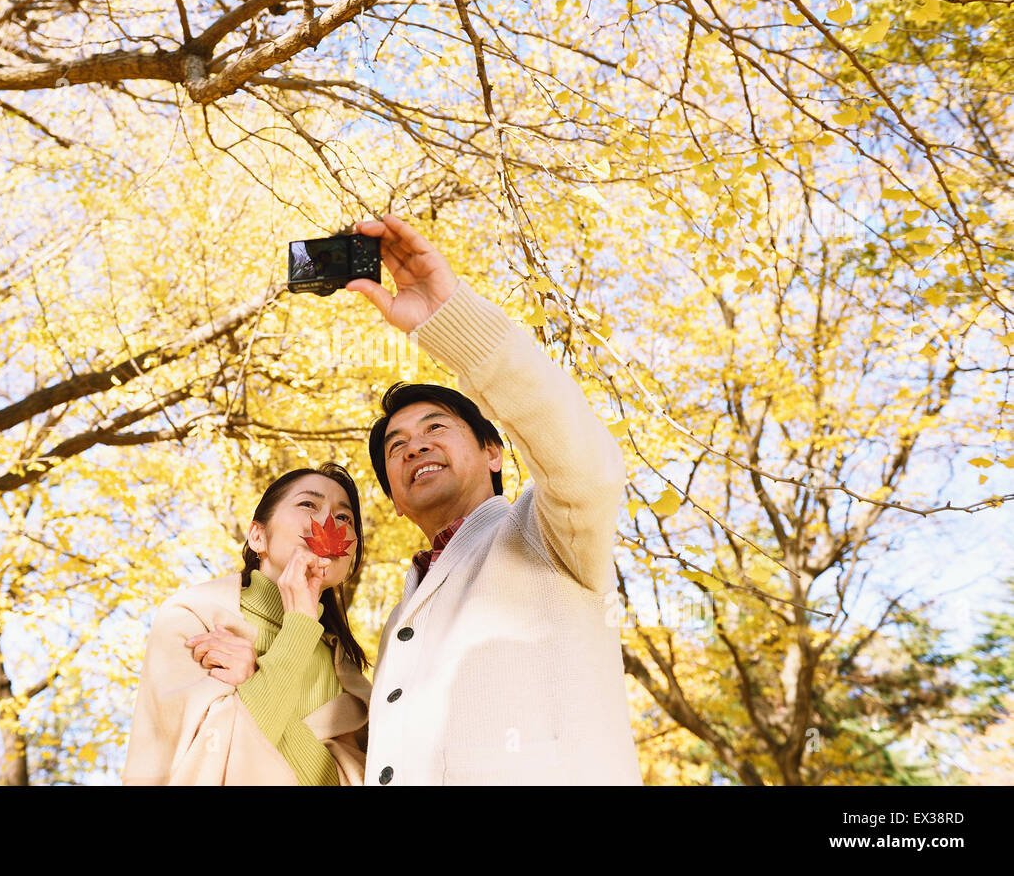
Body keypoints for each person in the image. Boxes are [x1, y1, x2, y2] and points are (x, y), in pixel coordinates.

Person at [341, 214, 643, 785]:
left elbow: (583, 459)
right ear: (398, 503)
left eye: (437, 428)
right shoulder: (400, 619)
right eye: (397, 446)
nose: (415, 447)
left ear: (493, 453)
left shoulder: (548, 534)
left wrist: (450, 320)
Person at [121, 463, 371, 785]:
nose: (328, 523)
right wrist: (298, 630)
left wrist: (253, 682)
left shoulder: (349, 676)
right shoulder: (191, 619)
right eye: (308, 504)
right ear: (257, 536)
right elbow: (206, 757)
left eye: (344, 518)